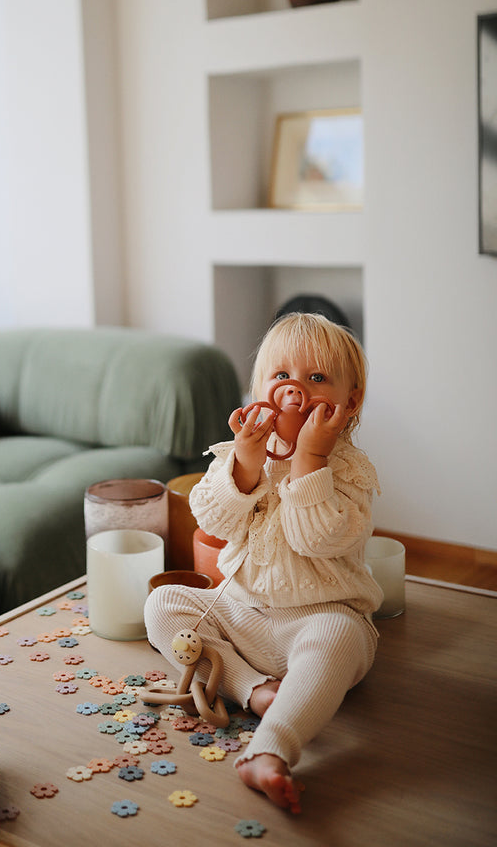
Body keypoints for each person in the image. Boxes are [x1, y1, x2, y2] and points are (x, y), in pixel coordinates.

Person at [144, 313, 382, 814]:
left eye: (316, 378)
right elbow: (211, 519)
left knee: (340, 637)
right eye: (281, 376)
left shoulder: (349, 469)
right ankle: (250, 690)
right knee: (163, 603)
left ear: (349, 401)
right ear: (258, 391)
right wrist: (247, 466)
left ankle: (268, 749)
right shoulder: (240, 452)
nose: (295, 388)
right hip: (240, 614)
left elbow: (316, 539)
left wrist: (310, 460)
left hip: (318, 618)